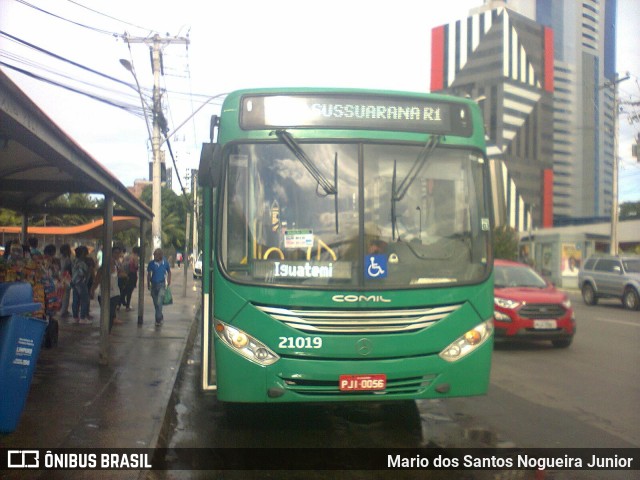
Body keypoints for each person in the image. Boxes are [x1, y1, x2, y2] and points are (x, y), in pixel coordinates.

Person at [91, 245, 123, 332]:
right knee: (105, 313)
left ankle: (107, 331)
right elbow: (97, 280)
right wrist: (93, 289)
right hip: (103, 294)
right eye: (115, 253)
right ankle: (105, 331)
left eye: (118, 253)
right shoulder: (103, 268)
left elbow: (120, 275)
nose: (117, 255)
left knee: (111, 313)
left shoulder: (117, 266)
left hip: (115, 294)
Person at [147, 248, 171, 326]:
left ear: (160, 255)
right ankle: (160, 315)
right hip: (153, 284)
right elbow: (148, 274)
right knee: (155, 303)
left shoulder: (165, 263)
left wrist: (169, 280)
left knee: (159, 302)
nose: (155, 257)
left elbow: (169, 271)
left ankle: (158, 319)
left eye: (156, 255)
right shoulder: (151, 263)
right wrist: (148, 284)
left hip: (162, 284)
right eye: (154, 255)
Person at [71, 245, 91, 324]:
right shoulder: (82, 263)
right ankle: (82, 317)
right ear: (82, 254)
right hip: (81, 283)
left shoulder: (73, 261)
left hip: (74, 282)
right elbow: (84, 273)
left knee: (75, 300)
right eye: (85, 253)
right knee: (84, 300)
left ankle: (75, 317)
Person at [122, 246, 140, 311]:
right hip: (132, 274)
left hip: (125, 274)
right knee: (130, 290)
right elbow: (136, 266)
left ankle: (120, 302)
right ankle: (127, 305)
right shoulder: (136, 258)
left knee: (125, 289)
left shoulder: (127, 256)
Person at [58, 244, 73, 318]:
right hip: (65, 278)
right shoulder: (67, 259)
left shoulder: (60, 258)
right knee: (66, 295)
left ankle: (64, 310)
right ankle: (63, 311)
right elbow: (66, 268)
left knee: (63, 294)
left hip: (61, 277)